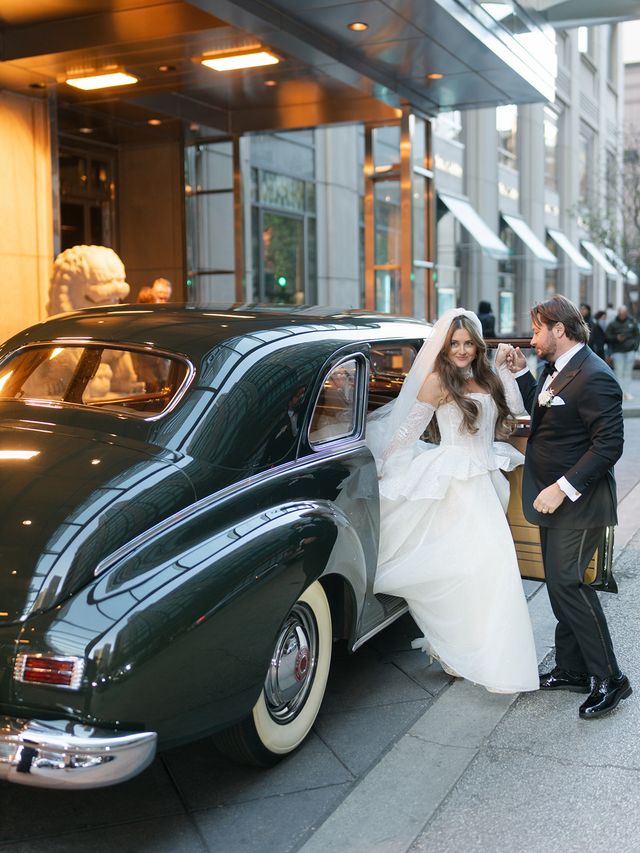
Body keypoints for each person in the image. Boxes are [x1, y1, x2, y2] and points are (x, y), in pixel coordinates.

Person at [367, 308, 538, 694]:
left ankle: (478, 652)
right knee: (475, 568)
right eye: (454, 344)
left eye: (467, 344)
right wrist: (386, 469)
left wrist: (509, 371)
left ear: (477, 345)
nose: (461, 351)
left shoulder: (489, 376)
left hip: (487, 480)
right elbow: (405, 434)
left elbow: (517, 414)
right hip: (454, 484)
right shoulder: (436, 382)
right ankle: (460, 650)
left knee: (489, 570)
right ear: (445, 347)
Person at [507, 295, 630, 719]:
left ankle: (610, 678)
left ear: (560, 329)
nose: (533, 337)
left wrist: (562, 487)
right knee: (562, 586)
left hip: (580, 502)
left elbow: (609, 445)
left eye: (538, 329)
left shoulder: (595, 375)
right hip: (552, 501)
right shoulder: (557, 369)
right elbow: (545, 418)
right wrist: (522, 374)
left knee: (570, 586)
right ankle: (572, 668)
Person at [605, 305, 639, 400]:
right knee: (619, 372)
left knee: (627, 372)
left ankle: (627, 392)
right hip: (618, 351)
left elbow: (637, 335)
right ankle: (620, 392)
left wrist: (635, 347)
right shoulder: (613, 324)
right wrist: (616, 338)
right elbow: (607, 336)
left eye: (624, 313)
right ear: (618, 313)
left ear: (626, 313)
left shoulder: (632, 321)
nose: (622, 315)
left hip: (630, 351)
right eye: (620, 313)